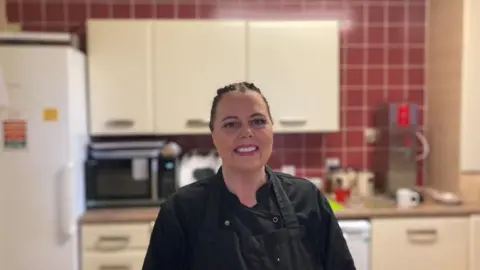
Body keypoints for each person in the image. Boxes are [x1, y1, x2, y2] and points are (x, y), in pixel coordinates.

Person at [141, 82, 356, 270]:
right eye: (231, 124)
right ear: (213, 135)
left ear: (272, 129)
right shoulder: (181, 211)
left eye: (258, 121)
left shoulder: (307, 198)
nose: (246, 133)